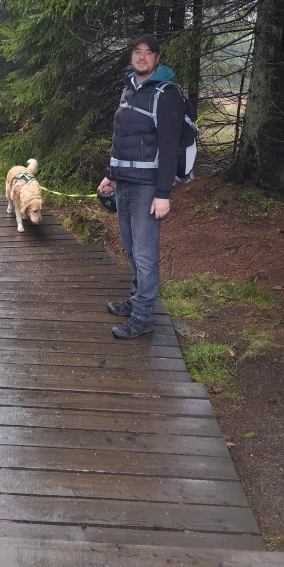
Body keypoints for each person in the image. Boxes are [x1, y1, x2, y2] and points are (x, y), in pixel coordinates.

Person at [98, 34, 183, 339]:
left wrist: (163, 194)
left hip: (148, 187)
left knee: (145, 253)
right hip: (124, 183)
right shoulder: (128, 90)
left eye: (149, 53)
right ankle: (136, 301)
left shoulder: (167, 93)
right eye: (137, 52)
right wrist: (111, 173)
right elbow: (121, 139)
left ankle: (145, 315)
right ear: (132, 57)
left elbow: (170, 146)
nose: (142, 57)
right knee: (131, 248)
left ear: (157, 59)